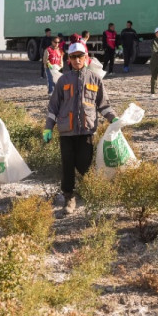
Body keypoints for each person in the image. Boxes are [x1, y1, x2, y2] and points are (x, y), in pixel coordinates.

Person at [42, 42, 117, 215]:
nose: (77, 60)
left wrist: (114, 118)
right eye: (74, 57)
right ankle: (69, 197)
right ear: (69, 59)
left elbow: (104, 105)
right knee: (67, 165)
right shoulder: (63, 80)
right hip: (66, 131)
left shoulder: (95, 79)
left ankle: (87, 190)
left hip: (86, 130)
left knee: (85, 164)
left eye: (80, 56)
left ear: (86, 57)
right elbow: (53, 107)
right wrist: (48, 128)